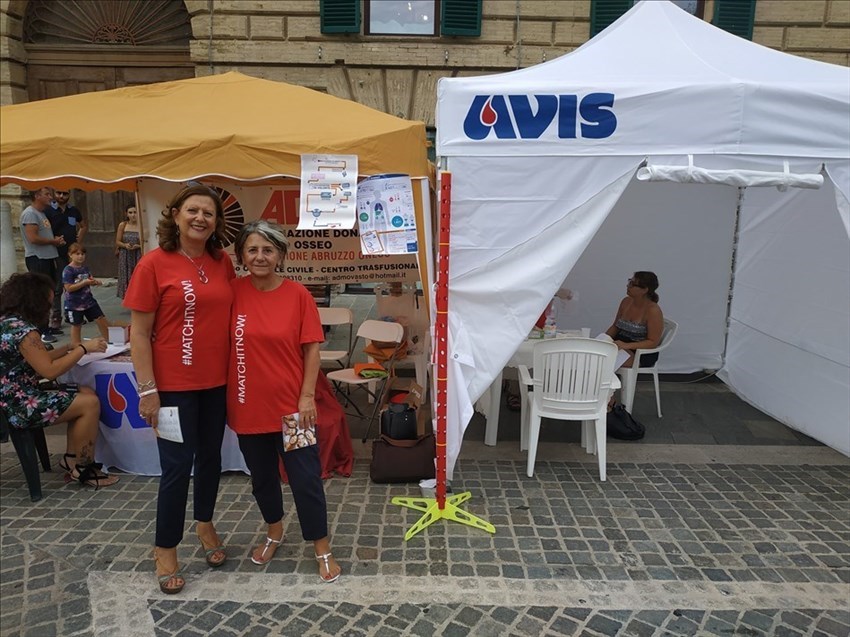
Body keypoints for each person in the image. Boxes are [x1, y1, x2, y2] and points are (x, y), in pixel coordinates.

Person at [124, 185, 235, 595]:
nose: (201, 218)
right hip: (172, 390)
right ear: (175, 214)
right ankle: (165, 548)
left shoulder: (222, 263)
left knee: (210, 460)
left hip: (216, 385)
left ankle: (205, 523)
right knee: (175, 469)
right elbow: (139, 333)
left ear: (217, 222)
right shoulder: (154, 265)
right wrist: (147, 390)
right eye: (193, 210)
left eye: (209, 212)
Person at [226, 220, 341, 583]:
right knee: (262, 479)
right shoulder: (232, 292)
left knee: (306, 478)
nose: (260, 256)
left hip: (293, 411)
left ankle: (321, 546)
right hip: (246, 408)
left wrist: (307, 396)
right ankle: (274, 530)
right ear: (242, 255)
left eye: (268, 249)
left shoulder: (298, 295)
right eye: (253, 249)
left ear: (280, 255)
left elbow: (312, 350)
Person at [0, 272, 118, 488]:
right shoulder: (26, 332)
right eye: (48, 300)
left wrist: (67, 348)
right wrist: (83, 348)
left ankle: (71, 458)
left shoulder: (8, 323)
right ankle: (84, 468)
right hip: (17, 406)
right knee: (89, 403)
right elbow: (49, 371)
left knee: (84, 392)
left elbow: (34, 359)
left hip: (9, 398)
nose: (51, 305)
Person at [20, 186, 64, 343]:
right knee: (40, 294)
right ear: (36, 195)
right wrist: (53, 241)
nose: (50, 197)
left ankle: (46, 326)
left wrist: (55, 241)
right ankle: (41, 330)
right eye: (46, 194)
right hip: (38, 258)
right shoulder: (30, 214)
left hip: (48, 257)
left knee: (49, 293)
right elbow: (33, 238)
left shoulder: (41, 213)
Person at [605, 271, 663, 370]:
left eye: (632, 284)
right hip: (621, 344)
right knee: (595, 352)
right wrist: (604, 339)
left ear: (644, 290)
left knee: (603, 360)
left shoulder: (653, 311)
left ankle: (600, 383)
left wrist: (626, 345)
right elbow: (615, 326)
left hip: (641, 351)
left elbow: (653, 342)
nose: (628, 286)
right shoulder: (626, 302)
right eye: (629, 281)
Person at [47, 188, 86, 331]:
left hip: (72, 252)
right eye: (59, 193)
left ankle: (75, 312)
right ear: (54, 194)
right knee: (59, 285)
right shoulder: (48, 210)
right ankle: (56, 316)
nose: (62, 196)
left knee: (76, 282)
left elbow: (83, 225)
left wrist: (78, 241)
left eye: (65, 193)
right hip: (56, 252)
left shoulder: (73, 210)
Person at [62, 243, 110, 347]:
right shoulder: (68, 270)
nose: (80, 256)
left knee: (100, 318)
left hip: (88, 300)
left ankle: (110, 341)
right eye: (77, 254)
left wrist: (94, 282)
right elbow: (68, 288)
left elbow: (90, 279)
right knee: (76, 325)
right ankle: (77, 346)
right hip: (74, 304)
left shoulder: (85, 268)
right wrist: (84, 283)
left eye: (82, 254)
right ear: (70, 255)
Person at [115, 204, 143, 299]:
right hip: (125, 255)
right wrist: (125, 245)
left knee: (138, 276)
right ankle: (128, 297)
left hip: (138, 254)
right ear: (126, 214)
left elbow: (146, 241)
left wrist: (138, 246)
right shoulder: (123, 225)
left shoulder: (142, 225)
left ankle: (138, 297)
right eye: (130, 212)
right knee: (126, 276)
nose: (133, 215)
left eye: (135, 212)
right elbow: (118, 241)